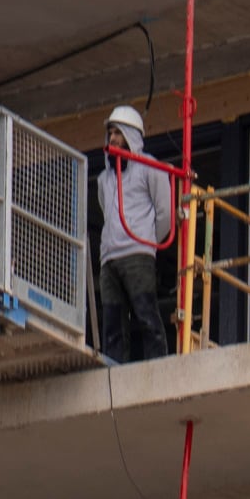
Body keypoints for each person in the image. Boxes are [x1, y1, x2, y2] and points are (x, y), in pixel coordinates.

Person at [93, 105, 180, 362]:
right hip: (109, 258)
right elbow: (105, 211)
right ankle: (114, 370)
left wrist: (147, 241)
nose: (112, 139)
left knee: (145, 313)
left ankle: (157, 365)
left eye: (117, 133)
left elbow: (165, 212)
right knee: (112, 321)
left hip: (137, 254)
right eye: (110, 134)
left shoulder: (150, 168)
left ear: (131, 136)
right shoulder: (103, 179)